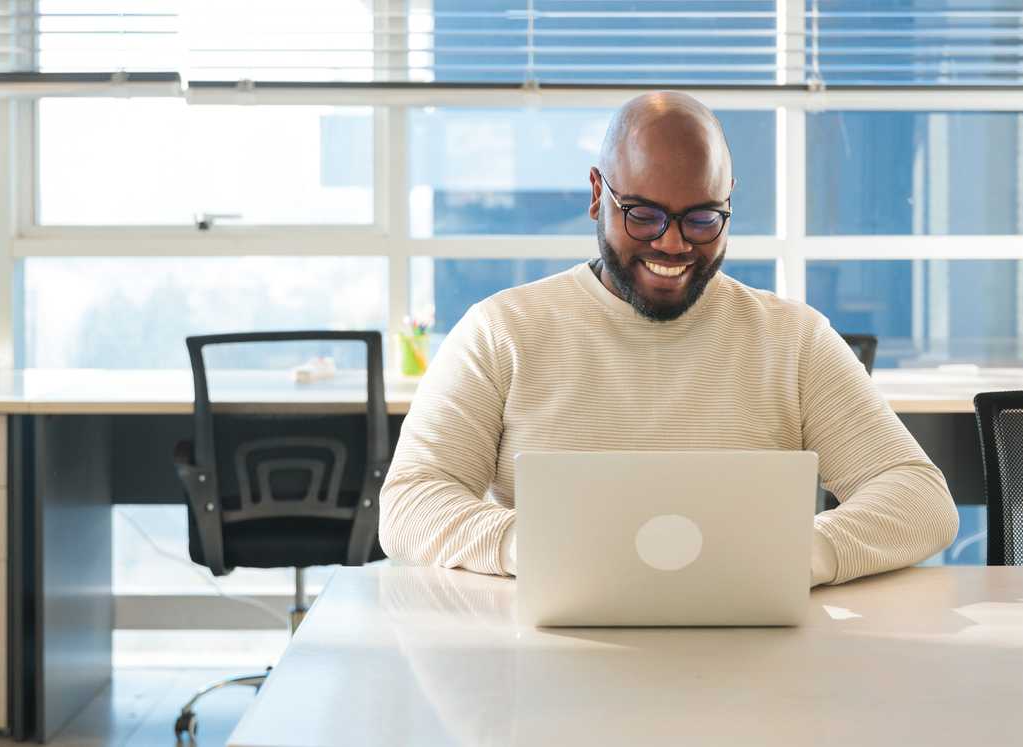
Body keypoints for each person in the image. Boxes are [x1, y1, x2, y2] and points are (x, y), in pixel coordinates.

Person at [379, 91, 958, 586]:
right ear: (596, 194)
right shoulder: (501, 331)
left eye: (703, 219)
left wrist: (798, 554)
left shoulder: (794, 339)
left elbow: (920, 498)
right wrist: (534, 547)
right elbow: (409, 504)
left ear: (730, 201)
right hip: (556, 658)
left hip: (754, 662)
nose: (675, 245)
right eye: (643, 215)